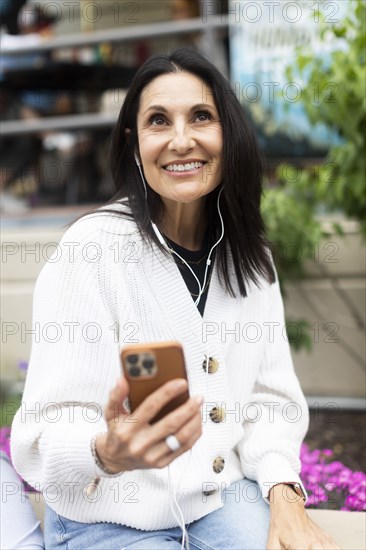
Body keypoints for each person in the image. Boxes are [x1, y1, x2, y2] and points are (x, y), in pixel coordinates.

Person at [11, 48, 340, 549]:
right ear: (135, 142)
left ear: (228, 134)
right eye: (158, 121)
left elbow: (269, 403)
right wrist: (106, 451)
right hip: (105, 517)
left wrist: (284, 495)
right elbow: (42, 434)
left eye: (201, 117)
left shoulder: (251, 260)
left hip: (219, 501)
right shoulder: (90, 252)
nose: (181, 140)